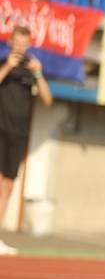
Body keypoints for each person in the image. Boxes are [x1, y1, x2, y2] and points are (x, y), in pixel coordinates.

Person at [0, 25, 53, 255]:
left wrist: (39, 74)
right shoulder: (3, 62)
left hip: (18, 134)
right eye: (17, 42)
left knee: (8, 184)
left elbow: (47, 100)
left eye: (24, 43)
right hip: (0, 129)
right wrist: (7, 67)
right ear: (10, 42)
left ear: (29, 44)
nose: (20, 46)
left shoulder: (32, 69)